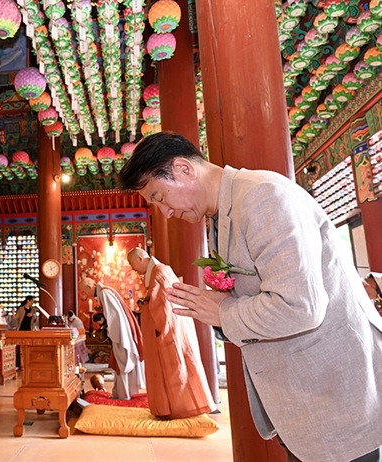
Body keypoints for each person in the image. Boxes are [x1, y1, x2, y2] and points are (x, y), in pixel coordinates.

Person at [119, 131, 382, 461]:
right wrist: (216, 311)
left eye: (159, 197)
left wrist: (223, 312)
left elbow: (299, 306)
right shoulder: (223, 212)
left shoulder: (263, 196)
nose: (165, 212)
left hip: (334, 392)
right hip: (302, 399)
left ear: (184, 169)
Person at [127, 247, 216, 419]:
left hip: (168, 331)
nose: (133, 269)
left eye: (132, 264)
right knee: (180, 367)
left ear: (140, 258)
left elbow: (162, 306)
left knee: (175, 369)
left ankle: (179, 409)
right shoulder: (162, 270)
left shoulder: (158, 273)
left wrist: (147, 310)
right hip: (176, 327)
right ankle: (176, 408)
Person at [80, 277, 145, 400]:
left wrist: (109, 333)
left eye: (84, 291)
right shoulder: (105, 291)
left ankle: (125, 395)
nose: (85, 294)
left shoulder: (104, 293)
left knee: (123, 365)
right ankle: (125, 394)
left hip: (121, 335)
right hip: (121, 333)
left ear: (89, 287)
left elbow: (114, 317)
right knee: (122, 364)